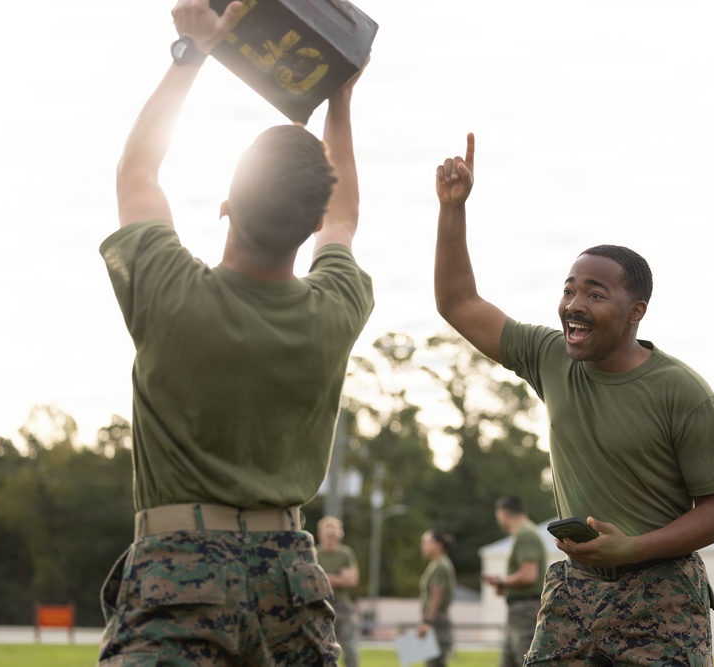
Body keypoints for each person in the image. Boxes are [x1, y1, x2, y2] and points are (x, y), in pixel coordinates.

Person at [96, 0, 373, 664]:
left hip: (179, 574)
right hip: (293, 580)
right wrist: (338, 100)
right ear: (310, 227)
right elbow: (346, 216)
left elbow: (137, 173)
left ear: (225, 204)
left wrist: (193, 52)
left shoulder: (170, 293)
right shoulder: (335, 306)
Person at [433, 134, 714, 666]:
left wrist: (633, 547)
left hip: (661, 597)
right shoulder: (549, 356)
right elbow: (458, 302)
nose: (574, 305)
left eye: (595, 293)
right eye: (570, 289)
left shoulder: (684, 393)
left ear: (635, 310)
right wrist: (453, 211)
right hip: (574, 592)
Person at [480, 496, 548, 667]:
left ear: (503, 513)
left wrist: (502, 580)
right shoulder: (525, 533)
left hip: (525, 611)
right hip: (519, 611)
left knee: (526, 663)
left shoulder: (525, 534)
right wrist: (505, 585)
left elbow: (529, 575)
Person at [316, 516, 361, 667]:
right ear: (320, 535)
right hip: (320, 606)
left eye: (336, 535)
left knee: (351, 651)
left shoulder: (345, 553)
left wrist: (325, 576)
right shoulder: (313, 553)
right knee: (321, 651)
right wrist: (339, 578)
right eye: (329, 535)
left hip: (342, 606)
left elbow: (352, 580)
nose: (333, 538)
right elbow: (310, 581)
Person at [417, 529, 456, 667]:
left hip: (436, 621)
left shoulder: (440, 565)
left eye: (426, 543)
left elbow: (437, 595)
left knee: (434, 663)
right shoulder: (437, 564)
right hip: (435, 620)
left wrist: (427, 622)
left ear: (438, 545)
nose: (423, 546)